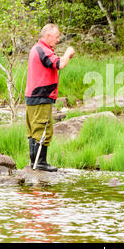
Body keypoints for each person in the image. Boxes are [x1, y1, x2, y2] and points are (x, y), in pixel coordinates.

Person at [25, 23, 75, 171]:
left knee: (34, 130)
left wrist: (66, 56)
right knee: (43, 129)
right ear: (47, 36)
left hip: (34, 96)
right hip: (40, 97)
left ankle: (35, 163)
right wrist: (68, 52)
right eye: (56, 36)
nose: (58, 40)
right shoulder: (42, 49)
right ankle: (40, 163)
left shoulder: (37, 49)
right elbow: (59, 64)